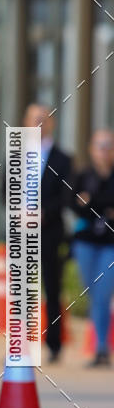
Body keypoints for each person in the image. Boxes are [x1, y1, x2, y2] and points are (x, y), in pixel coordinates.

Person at [21, 104, 72, 363]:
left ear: (51, 123)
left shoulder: (64, 159)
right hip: (21, 231)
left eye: (43, 119)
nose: (39, 124)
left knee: (52, 288)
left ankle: (53, 345)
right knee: (22, 289)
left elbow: (66, 196)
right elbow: (5, 188)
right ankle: (20, 343)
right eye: (34, 119)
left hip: (50, 232)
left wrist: (43, 213)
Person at [70, 129, 114, 367]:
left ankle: (101, 348)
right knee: (92, 291)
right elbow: (75, 205)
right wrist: (102, 207)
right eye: (100, 145)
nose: (104, 151)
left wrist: (92, 202)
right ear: (91, 148)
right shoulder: (83, 175)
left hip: (110, 244)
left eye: (108, 145)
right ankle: (101, 345)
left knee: (102, 293)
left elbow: (87, 202)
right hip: (86, 241)